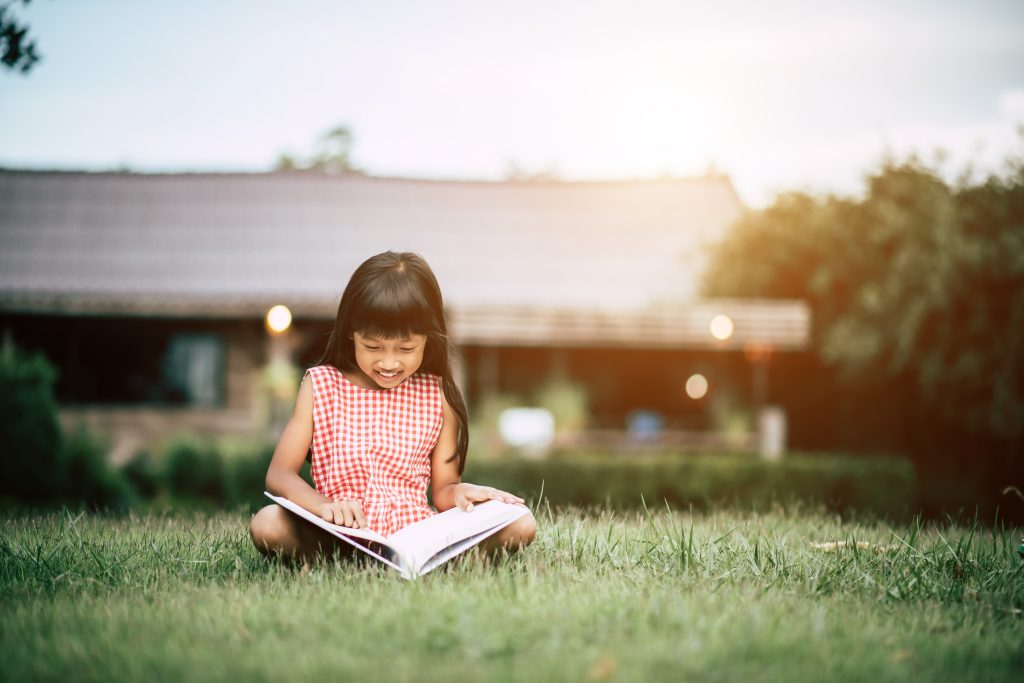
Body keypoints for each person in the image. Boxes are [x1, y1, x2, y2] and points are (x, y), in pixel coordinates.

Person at [249, 251, 537, 564]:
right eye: (372, 347)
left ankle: (417, 561)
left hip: (415, 534)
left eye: (405, 348)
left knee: (521, 522)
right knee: (268, 523)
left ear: (428, 338)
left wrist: (459, 492)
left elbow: (443, 491)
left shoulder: (437, 394)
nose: (388, 362)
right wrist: (324, 506)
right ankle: (352, 558)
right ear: (351, 333)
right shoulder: (321, 385)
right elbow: (279, 474)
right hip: (339, 532)